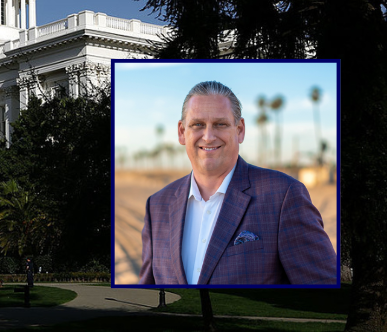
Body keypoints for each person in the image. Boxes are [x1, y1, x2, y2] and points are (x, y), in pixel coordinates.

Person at [138, 80, 337, 285]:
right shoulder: (157, 206)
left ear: (240, 130)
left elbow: (325, 291)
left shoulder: (284, 195)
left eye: (220, 124)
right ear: (182, 132)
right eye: (198, 124)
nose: (208, 136)